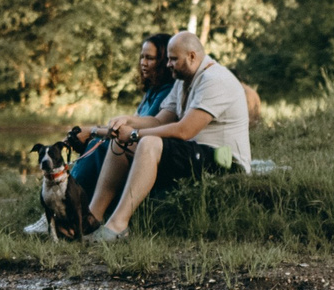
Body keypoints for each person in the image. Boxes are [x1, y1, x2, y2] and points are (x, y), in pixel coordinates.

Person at [85, 30, 252, 241]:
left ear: (192, 56)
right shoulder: (183, 81)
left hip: (225, 161)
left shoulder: (215, 80)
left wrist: (135, 134)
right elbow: (159, 120)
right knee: (121, 143)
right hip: (194, 153)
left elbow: (184, 130)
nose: (168, 65)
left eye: (173, 59)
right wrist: (127, 121)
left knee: (149, 143)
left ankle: (118, 226)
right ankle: (91, 219)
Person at [26, 33, 177, 236]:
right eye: (142, 57)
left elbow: (138, 130)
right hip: (133, 144)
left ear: (163, 62)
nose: (143, 63)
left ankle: (68, 212)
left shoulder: (168, 92)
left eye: (150, 58)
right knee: (93, 142)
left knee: (101, 146)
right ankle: (60, 210)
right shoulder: (151, 91)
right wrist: (91, 132)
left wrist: (94, 131)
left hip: (147, 149)